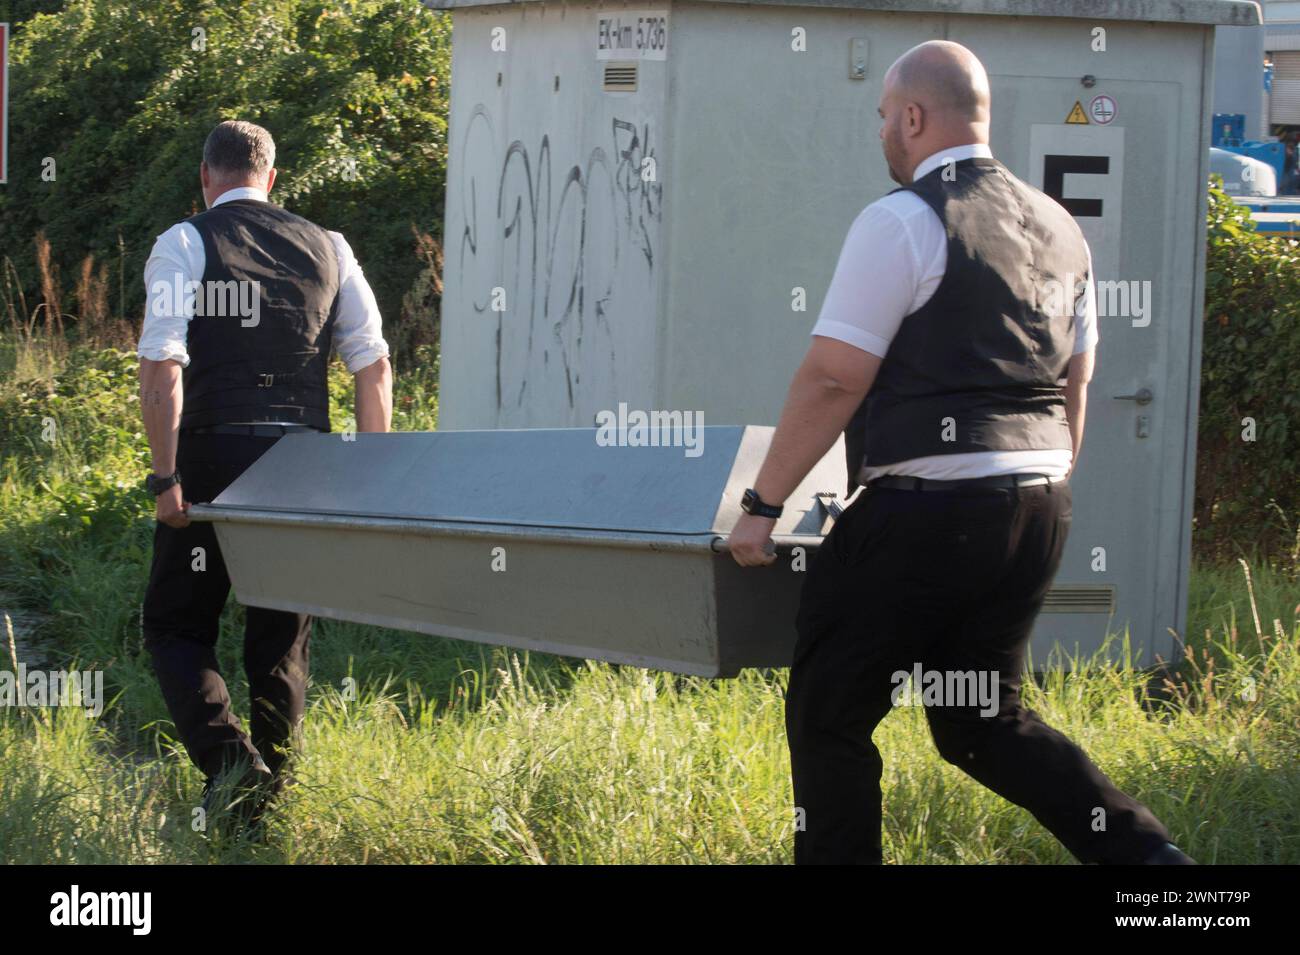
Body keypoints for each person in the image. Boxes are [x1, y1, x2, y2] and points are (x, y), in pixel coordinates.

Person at [725, 41, 1194, 865]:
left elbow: (836, 379)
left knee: (830, 713)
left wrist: (761, 507)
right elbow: (1075, 384)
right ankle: (1155, 868)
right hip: (1039, 502)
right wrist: (1029, 489)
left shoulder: (902, 219)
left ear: (914, 116)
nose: (881, 133)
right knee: (983, 720)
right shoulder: (1059, 227)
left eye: (883, 117)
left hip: (926, 513)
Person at [137, 120, 393, 833]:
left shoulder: (185, 242)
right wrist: (372, 479)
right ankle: (271, 797)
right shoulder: (331, 248)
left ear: (205, 176)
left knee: (174, 624)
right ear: (272, 179)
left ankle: (236, 773)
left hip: (215, 462)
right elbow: (371, 363)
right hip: (302, 468)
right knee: (279, 638)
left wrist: (166, 478)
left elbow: (163, 362)